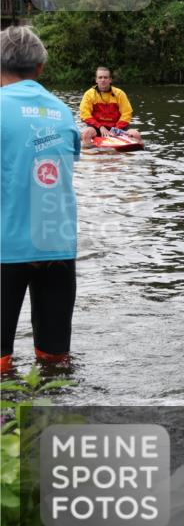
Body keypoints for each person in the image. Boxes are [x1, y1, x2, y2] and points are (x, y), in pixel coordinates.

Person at [1, 26, 80, 374]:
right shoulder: (63, 111)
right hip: (57, 247)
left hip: (7, 247)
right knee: (55, 364)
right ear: (41, 69)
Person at [79, 67, 142, 146]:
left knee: (136, 134)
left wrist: (116, 129)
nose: (103, 80)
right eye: (100, 77)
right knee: (86, 134)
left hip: (117, 128)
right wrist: (100, 127)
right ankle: (90, 155)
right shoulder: (89, 94)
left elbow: (127, 114)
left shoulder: (119, 94)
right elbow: (85, 115)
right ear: (96, 80)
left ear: (110, 80)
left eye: (105, 77)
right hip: (97, 128)